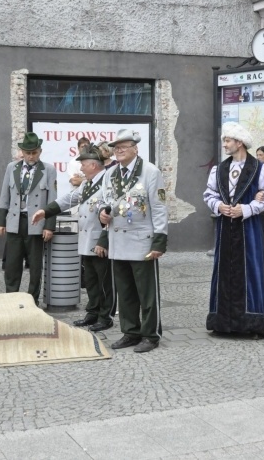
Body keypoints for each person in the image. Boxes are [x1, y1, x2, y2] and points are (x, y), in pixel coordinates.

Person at [97, 129, 168, 353]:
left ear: (135, 149)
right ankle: (130, 331)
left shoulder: (150, 172)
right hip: (117, 239)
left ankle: (150, 334)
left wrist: (159, 242)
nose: (118, 150)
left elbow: (158, 208)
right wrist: (102, 213)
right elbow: (104, 199)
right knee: (125, 291)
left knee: (146, 292)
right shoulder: (110, 173)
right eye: (115, 148)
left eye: (123, 147)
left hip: (141, 239)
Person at [33, 144, 115, 331]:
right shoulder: (87, 184)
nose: (81, 168)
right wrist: (45, 211)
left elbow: (112, 213)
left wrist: (104, 239)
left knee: (104, 283)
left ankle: (106, 316)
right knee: (92, 282)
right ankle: (93, 313)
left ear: (93, 165)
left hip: (100, 240)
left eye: (83, 164)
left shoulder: (107, 182)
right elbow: (67, 199)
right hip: (86, 240)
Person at [204, 122, 264, 336]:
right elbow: (209, 194)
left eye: (227, 141)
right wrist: (219, 206)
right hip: (225, 227)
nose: (224, 144)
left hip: (248, 228)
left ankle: (250, 323)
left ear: (240, 143)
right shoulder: (219, 169)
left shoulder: (261, 169)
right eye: (224, 140)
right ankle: (222, 322)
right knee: (223, 270)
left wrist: (246, 209)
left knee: (250, 270)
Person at [0, 132, 57, 306]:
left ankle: (33, 300)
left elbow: (52, 199)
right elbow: (4, 195)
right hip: (15, 221)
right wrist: (1, 221)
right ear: (22, 151)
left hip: (36, 222)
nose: (31, 156)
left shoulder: (48, 169)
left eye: (35, 152)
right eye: (28, 152)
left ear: (40, 151)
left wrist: (49, 226)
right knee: (12, 263)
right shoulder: (12, 168)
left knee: (35, 264)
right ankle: (11, 298)